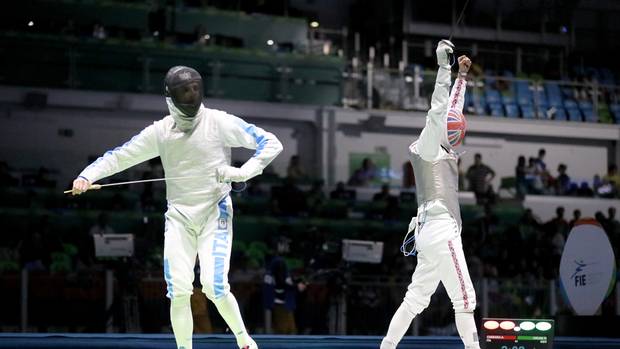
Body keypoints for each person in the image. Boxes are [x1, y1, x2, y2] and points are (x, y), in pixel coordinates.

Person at [71, 66, 283, 349]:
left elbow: (271, 142)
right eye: (185, 90)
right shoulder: (160, 132)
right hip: (179, 216)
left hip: (214, 211)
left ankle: (244, 341)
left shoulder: (219, 122)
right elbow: (120, 156)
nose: (192, 94)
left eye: (195, 88)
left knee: (214, 286)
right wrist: (87, 175)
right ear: (170, 96)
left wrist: (245, 172)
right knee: (179, 291)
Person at [381, 41, 480, 349]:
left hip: (429, 232)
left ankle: (386, 347)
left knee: (415, 299)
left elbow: (452, 109)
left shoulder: (442, 148)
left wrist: (462, 77)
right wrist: (444, 68)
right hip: (441, 231)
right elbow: (439, 109)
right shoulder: (427, 147)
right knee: (465, 300)